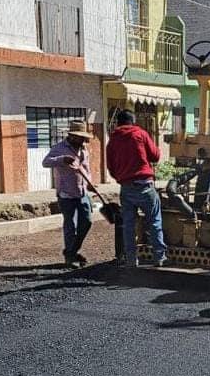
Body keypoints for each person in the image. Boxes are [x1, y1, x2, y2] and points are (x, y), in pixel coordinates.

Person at [106, 109, 167, 267]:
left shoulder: (113, 140)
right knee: (154, 221)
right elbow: (155, 156)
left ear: (118, 123)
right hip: (145, 185)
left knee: (128, 225)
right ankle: (159, 257)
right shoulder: (140, 134)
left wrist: (122, 177)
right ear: (132, 121)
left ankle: (132, 260)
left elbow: (111, 167)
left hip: (126, 188)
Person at [42, 120, 95, 269]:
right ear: (71, 136)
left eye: (83, 137)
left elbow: (86, 170)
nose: (81, 140)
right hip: (66, 194)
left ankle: (71, 251)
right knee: (70, 225)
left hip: (82, 192)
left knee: (87, 221)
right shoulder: (59, 148)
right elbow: (45, 162)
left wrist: (89, 182)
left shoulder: (83, 150)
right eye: (78, 137)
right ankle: (70, 257)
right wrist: (62, 160)